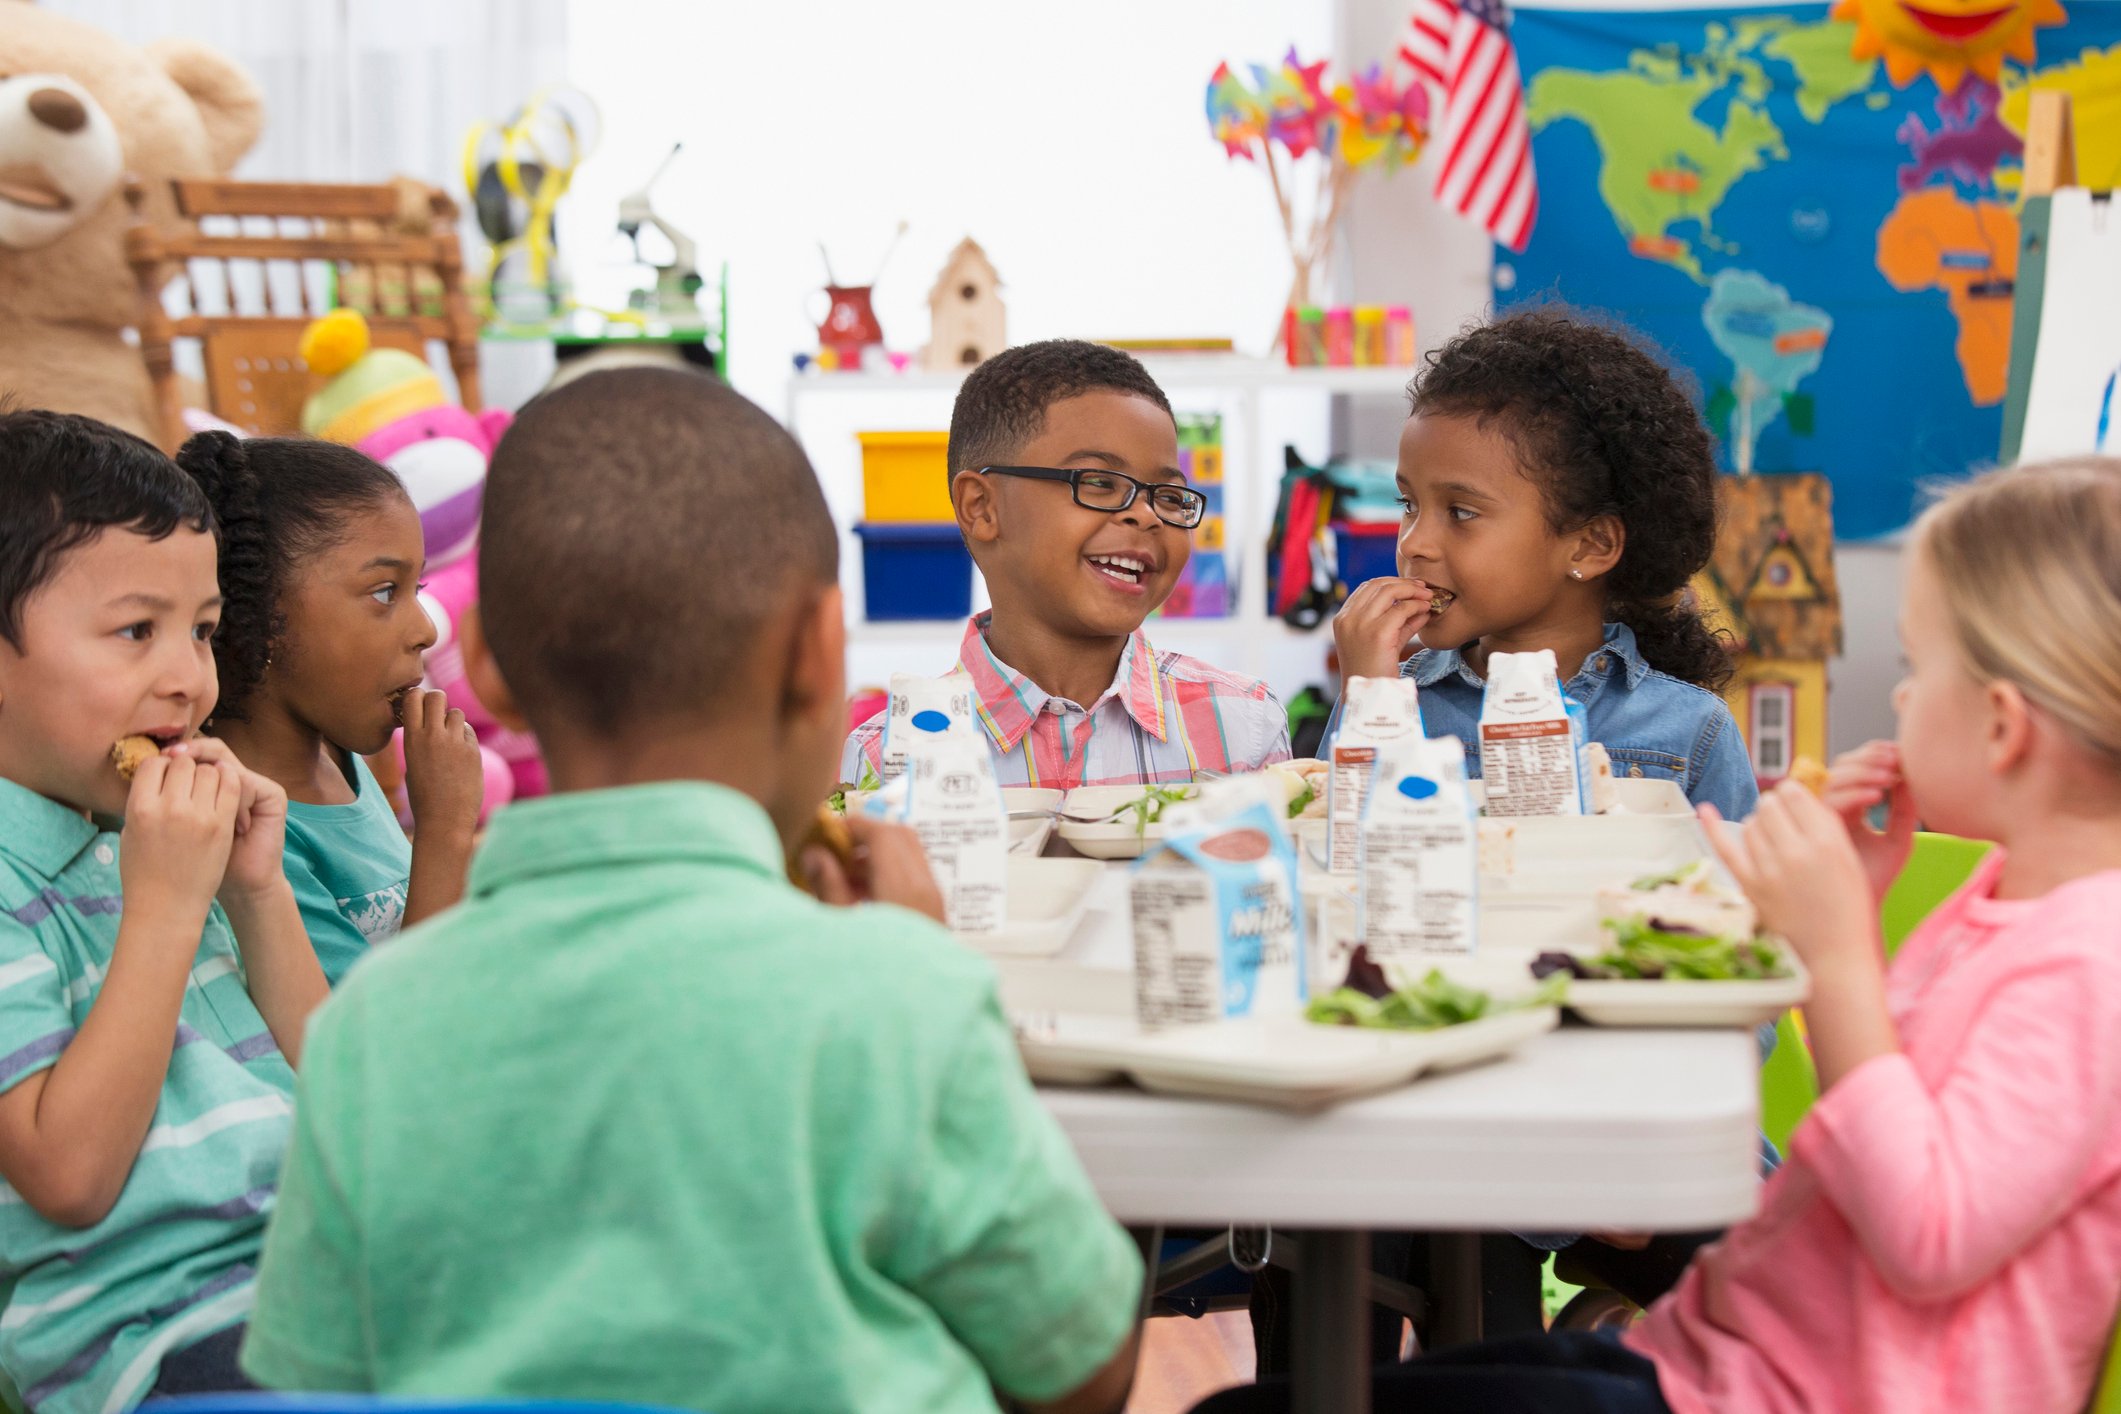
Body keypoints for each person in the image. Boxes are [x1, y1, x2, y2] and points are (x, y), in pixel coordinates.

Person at [240, 368, 1145, 1414]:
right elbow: (1081, 1368)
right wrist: (925, 966)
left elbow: (316, 1380)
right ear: (816, 653)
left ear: (481, 664)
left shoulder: (367, 1030)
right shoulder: (898, 990)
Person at [1214, 456, 2121, 1413]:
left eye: (1914, 670)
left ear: (2002, 727)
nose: (1897, 700)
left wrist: (1838, 954)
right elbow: (1902, 1113)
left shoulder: (2087, 966)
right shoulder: (2004, 900)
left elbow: (1927, 1231)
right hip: (1728, 1362)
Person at [0, 410, 329, 1413]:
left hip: (317, 1281)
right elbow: (70, 1175)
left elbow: (349, 1096)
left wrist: (255, 891)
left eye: (202, 631)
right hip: (168, 1338)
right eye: (136, 630)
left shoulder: (149, 836)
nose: (189, 677)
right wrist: (165, 911)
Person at [1331, 307, 1755, 819]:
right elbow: (1336, 875)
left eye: (1461, 512)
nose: (1414, 543)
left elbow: (1736, 891)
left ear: (1589, 546)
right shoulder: (1390, 695)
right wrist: (1370, 699)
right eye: (1409, 506)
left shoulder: (1691, 729)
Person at [841, 339, 1289, 788]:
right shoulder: (887, 762)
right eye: (1098, 482)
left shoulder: (1244, 727)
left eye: (1169, 496)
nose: (1147, 514)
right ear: (981, 508)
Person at [178, 432, 485, 984]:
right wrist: (445, 833)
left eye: (420, 586)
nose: (427, 630)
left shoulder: (342, 761)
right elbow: (376, 1044)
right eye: (385, 591)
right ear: (265, 611)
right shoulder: (244, 831)